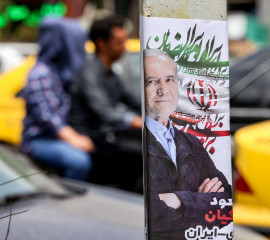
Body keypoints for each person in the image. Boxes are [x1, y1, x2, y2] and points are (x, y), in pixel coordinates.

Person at [144, 49, 232, 239]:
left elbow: (226, 209)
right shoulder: (138, 142)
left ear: (177, 84)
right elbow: (151, 219)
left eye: (169, 80)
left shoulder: (191, 142)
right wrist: (201, 204)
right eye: (152, 81)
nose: (163, 89)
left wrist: (178, 200)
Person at [68, 16, 142, 192]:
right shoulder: (90, 73)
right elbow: (105, 112)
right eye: (119, 42)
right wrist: (138, 121)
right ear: (101, 43)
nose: (123, 47)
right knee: (143, 157)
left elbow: (134, 100)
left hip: (108, 137)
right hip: (93, 140)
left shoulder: (111, 75)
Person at [20, 17, 93, 181]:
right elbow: (49, 118)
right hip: (39, 140)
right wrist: (75, 139)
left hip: (56, 136)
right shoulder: (41, 73)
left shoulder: (60, 72)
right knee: (79, 161)